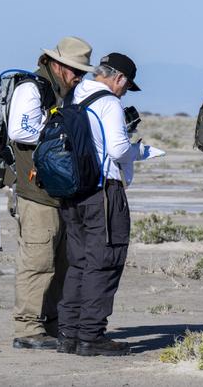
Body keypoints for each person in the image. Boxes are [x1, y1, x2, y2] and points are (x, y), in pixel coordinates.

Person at [56, 53, 148, 356]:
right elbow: (118, 149)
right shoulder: (109, 102)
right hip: (102, 190)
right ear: (119, 78)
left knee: (79, 262)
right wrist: (140, 152)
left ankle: (68, 333)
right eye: (126, 85)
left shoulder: (73, 94)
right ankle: (91, 336)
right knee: (104, 261)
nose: (124, 91)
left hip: (72, 190)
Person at [6, 36, 94, 350]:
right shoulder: (32, 89)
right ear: (56, 64)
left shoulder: (66, 93)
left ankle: (53, 324)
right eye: (75, 69)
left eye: (82, 71)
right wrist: (62, 127)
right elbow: (20, 130)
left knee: (63, 261)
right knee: (37, 261)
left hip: (61, 191)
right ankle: (28, 329)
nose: (79, 76)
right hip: (36, 193)